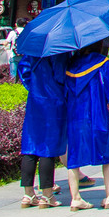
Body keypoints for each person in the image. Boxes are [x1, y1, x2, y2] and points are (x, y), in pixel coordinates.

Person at [64, 39, 109, 211]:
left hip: (75, 116)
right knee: (107, 156)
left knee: (73, 157)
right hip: (97, 115)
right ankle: (108, 196)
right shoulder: (103, 63)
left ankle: (75, 198)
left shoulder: (70, 65)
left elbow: (64, 90)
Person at [16, 49, 69, 208]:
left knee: (30, 146)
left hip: (35, 101)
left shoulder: (34, 49)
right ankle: (47, 195)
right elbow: (62, 76)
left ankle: (28, 194)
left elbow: (23, 70)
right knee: (48, 148)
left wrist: (34, 87)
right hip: (54, 102)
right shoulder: (60, 51)